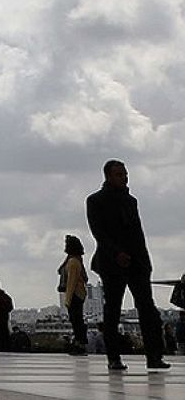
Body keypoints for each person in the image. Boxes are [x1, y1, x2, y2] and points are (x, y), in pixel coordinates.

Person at [87, 159, 169, 370]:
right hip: (112, 263)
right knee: (113, 310)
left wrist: (145, 262)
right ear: (108, 176)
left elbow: (137, 233)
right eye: (119, 174)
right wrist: (117, 253)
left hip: (137, 263)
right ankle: (113, 358)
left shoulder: (131, 201)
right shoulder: (95, 201)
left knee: (147, 309)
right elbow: (99, 233)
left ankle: (154, 356)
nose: (124, 178)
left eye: (125, 174)